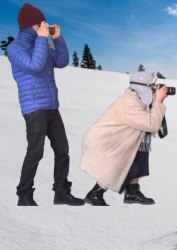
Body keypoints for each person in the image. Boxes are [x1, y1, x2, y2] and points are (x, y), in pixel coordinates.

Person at [7, 3, 84, 206]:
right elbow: (34, 66)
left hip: (51, 105)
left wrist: (57, 39)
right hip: (34, 107)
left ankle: (61, 192)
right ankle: (24, 195)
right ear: (29, 25)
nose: (44, 26)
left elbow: (61, 61)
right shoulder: (15, 48)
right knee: (35, 152)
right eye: (40, 24)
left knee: (62, 149)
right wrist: (42, 39)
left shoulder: (40, 44)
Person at [80, 72, 168, 206]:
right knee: (120, 164)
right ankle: (95, 194)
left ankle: (132, 192)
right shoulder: (129, 103)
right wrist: (158, 102)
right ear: (143, 87)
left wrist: (156, 101)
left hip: (114, 139)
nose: (154, 88)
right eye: (152, 86)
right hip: (104, 141)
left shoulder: (136, 98)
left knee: (139, 156)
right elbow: (152, 124)